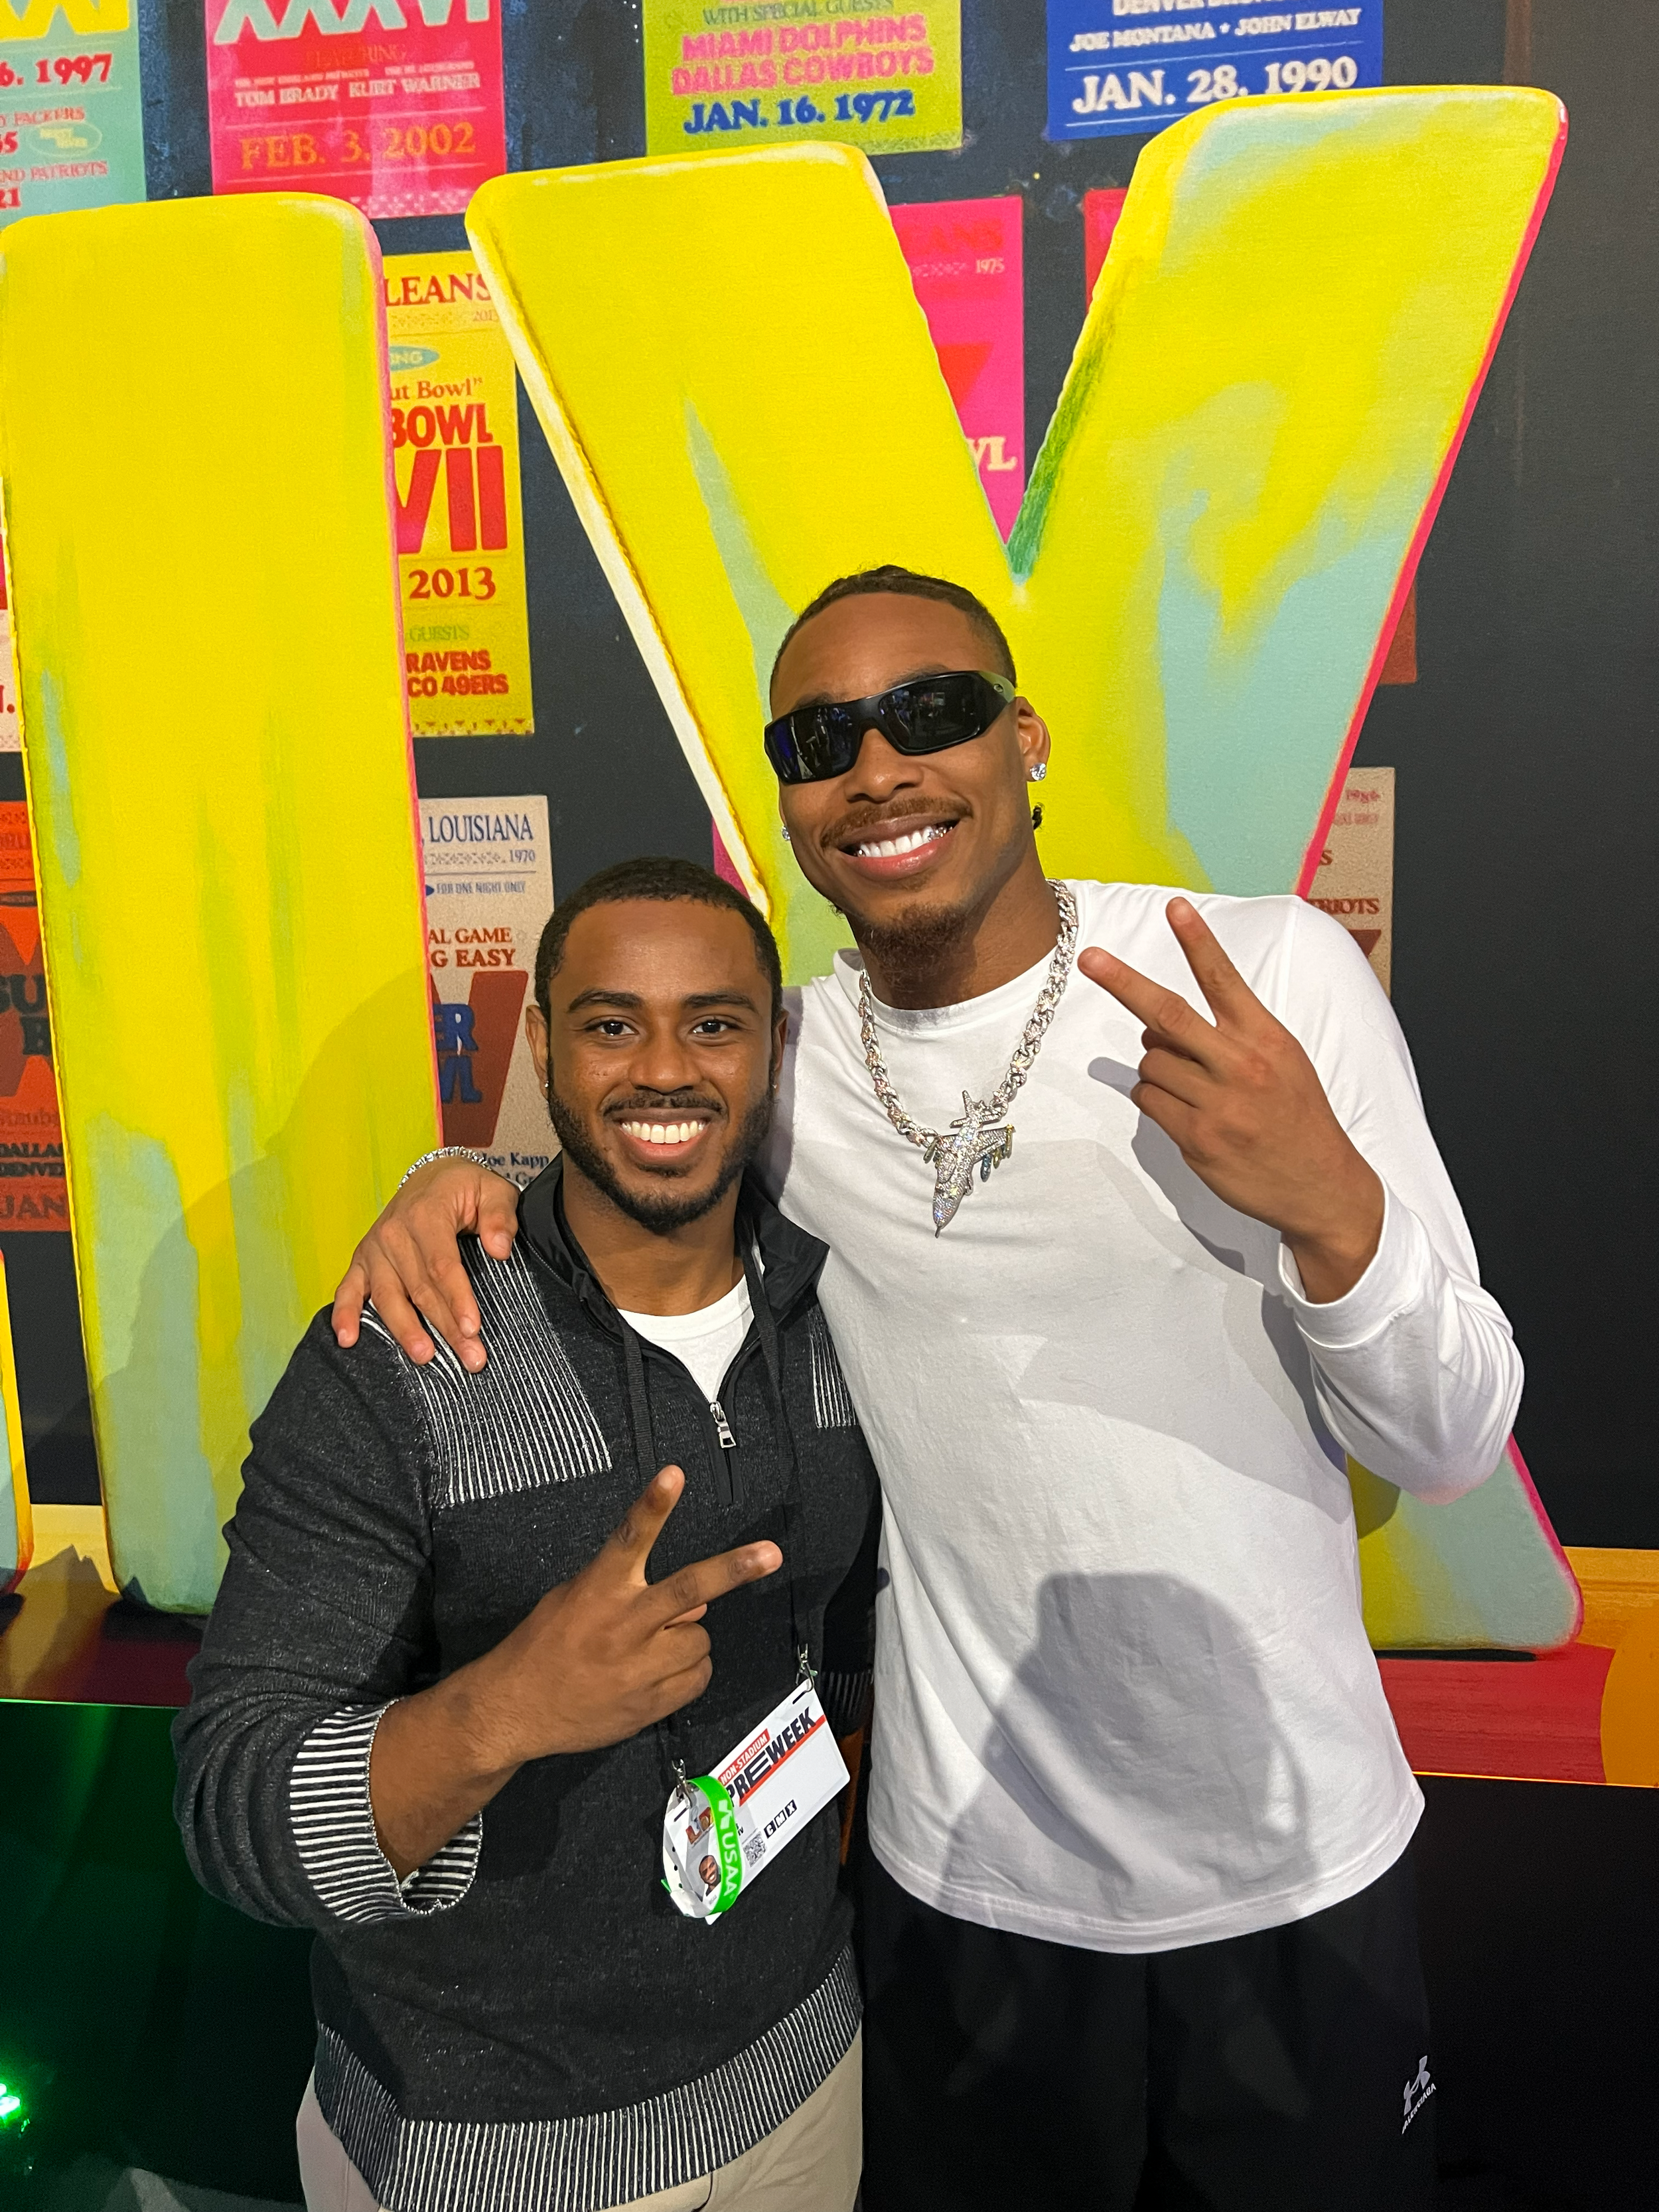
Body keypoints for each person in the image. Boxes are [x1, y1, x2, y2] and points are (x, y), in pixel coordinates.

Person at [333, 567, 1523, 2211]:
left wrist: (1327, 1200)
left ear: (1022, 740)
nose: (879, 765)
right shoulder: (791, 1062)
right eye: (823, 736)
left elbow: (1448, 1437)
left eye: (933, 711)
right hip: (963, 1892)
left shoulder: (1260, 979)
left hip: (1291, 1872)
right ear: (790, 800)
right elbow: (625, 1143)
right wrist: (446, 1169)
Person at [175, 858, 881, 2212]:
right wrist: (502, 1710)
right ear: (542, 1043)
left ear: (772, 1048)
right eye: (612, 1024)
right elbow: (233, 1807)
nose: (663, 1067)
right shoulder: (406, 1352)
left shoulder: (839, 1313)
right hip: (487, 2155)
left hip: (804, 2080)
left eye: (714, 1023)